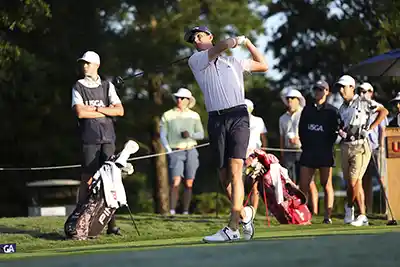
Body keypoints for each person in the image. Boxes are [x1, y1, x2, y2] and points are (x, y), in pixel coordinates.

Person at [184, 25, 268, 242]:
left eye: (200, 36)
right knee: (224, 177)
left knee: (236, 169)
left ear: (210, 36)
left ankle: (232, 228)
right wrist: (234, 41)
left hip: (239, 115)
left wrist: (248, 43)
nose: (196, 41)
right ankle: (245, 213)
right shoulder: (196, 60)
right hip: (216, 119)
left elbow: (264, 65)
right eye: (193, 39)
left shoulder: (234, 62)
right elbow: (220, 47)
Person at [71, 51, 124, 235]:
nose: (84, 66)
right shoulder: (78, 86)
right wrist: (104, 110)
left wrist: (94, 108)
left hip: (108, 137)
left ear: (96, 65)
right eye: (83, 63)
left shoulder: (107, 85)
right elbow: (80, 112)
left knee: (110, 179)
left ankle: (111, 224)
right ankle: (80, 220)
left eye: (88, 63)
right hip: (89, 137)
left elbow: (119, 110)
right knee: (88, 178)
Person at [335, 75, 388, 226]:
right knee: (350, 183)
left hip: (361, 146)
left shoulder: (363, 101)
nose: (340, 90)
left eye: (343, 87)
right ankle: (350, 208)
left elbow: (383, 111)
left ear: (352, 87)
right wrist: (340, 131)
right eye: (339, 87)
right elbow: (341, 125)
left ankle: (362, 214)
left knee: (354, 181)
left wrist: (370, 128)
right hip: (346, 146)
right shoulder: (342, 108)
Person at [298, 80, 341, 224]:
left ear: (327, 92)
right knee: (303, 184)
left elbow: (336, 131)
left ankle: (327, 216)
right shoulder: (307, 109)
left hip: (325, 152)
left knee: (326, 183)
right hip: (309, 151)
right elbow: (301, 129)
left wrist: (328, 144)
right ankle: (303, 216)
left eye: (321, 89)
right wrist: (305, 144)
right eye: (316, 89)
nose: (318, 92)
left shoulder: (332, 111)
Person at [159, 88, 204, 215]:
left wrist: (190, 135)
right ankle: (172, 210)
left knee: (189, 182)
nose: (179, 100)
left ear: (188, 100)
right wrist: (168, 150)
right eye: (178, 97)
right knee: (175, 181)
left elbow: (200, 134)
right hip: (175, 151)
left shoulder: (194, 115)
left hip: (191, 150)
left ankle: (185, 211)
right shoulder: (167, 115)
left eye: (182, 98)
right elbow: (163, 135)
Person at [358, 82, 388, 213]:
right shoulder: (358, 108)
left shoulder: (377, 107)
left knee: (382, 179)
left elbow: (383, 129)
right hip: (363, 149)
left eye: (365, 91)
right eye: (360, 91)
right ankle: (367, 209)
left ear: (371, 93)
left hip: (376, 148)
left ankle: (387, 210)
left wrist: (381, 146)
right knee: (366, 180)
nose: (362, 94)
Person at [244, 98, 268, 214]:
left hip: (255, 155)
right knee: (240, 183)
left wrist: (262, 155)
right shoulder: (237, 122)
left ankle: (253, 211)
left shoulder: (259, 120)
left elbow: (263, 139)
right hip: (240, 155)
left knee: (254, 184)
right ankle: (241, 210)